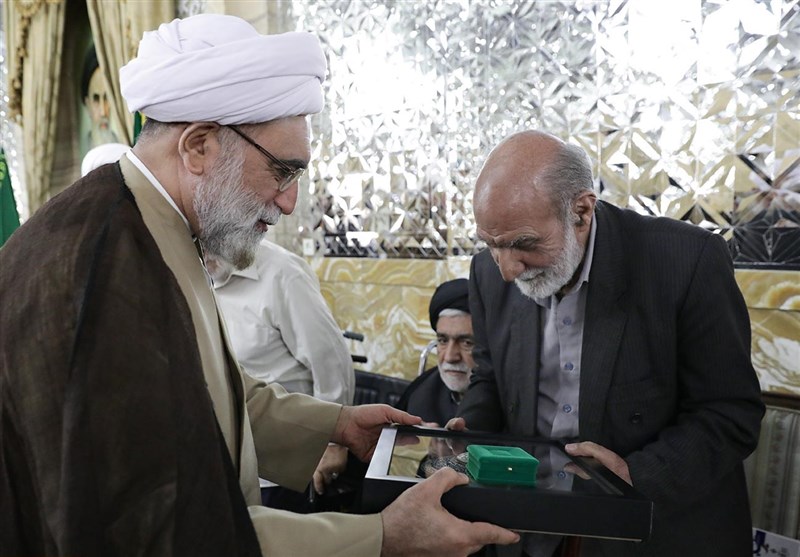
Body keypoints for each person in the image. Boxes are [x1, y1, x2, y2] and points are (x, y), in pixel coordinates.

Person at [0, 14, 520, 557]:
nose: (289, 202)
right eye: (282, 171)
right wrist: (383, 536)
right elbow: (155, 531)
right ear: (199, 146)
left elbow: (208, 393)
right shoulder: (104, 269)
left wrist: (338, 425)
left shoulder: (158, 228)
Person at [450, 130, 765, 556]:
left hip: (648, 531)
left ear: (581, 211)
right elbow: (491, 377)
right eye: (491, 245)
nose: (507, 270)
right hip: (529, 527)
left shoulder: (686, 260)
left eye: (524, 244)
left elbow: (730, 413)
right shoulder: (487, 272)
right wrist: (464, 430)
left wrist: (637, 476)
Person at [206, 239, 355, 504]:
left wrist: (335, 441)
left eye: (208, 246)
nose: (203, 256)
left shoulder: (283, 273)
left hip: (287, 465)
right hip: (226, 462)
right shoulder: (194, 274)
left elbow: (330, 360)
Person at [395, 278, 475, 425]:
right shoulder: (421, 391)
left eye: (467, 343)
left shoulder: (509, 401)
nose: (450, 357)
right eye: (443, 340)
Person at [81, 46, 120, 152]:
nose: (103, 112)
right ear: (87, 103)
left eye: (107, 98)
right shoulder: (80, 150)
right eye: (96, 99)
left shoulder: (124, 148)